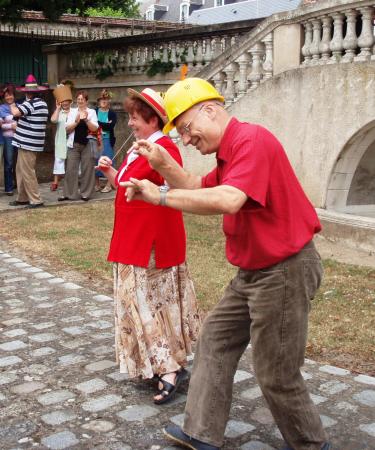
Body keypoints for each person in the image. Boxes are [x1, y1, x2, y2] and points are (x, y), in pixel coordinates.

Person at [122, 78, 331, 450]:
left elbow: (230, 199)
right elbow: (198, 184)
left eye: (186, 128)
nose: (186, 139)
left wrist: (162, 195)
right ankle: (201, 433)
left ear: (210, 110)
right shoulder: (229, 151)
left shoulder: (251, 141)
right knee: (214, 339)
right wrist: (164, 163)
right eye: (181, 133)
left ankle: (311, 444)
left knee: (276, 371)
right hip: (254, 271)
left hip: (284, 270)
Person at [97, 87, 201, 404]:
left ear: (153, 119)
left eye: (135, 117)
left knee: (155, 304)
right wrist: (112, 173)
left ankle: (171, 368)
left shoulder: (164, 148)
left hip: (153, 242)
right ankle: (156, 363)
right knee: (138, 303)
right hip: (132, 238)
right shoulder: (139, 147)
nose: (130, 123)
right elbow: (131, 187)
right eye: (129, 116)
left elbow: (172, 189)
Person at [9, 74, 48, 209]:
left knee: (27, 172)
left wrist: (11, 103)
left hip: (28, 143)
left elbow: (15, 113)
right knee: (20, 171)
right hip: (27, 142)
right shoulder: (42, 103)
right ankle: (22, 198)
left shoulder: (31, 103)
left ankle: (36, 200)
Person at [59, 90, 98, 202]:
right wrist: (76, 122)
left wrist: (86, 120)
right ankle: (69, 194)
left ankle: (86, 193)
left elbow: (95, 129)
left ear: (86, 101)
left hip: (87, 144)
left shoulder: (91, 112)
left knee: (87, 169)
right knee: (70, 169)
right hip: (74, 144)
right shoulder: (72, 112)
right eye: (78, 99)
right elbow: (66, 129)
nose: (80, 101)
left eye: (82, 99)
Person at [50, 83, 73, 191]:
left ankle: (72, 181)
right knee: (59, 160)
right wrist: (58, 108)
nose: (64, 103)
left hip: (72, 139)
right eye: (62, 102)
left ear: (70, 101)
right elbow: (53, 120)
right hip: (60, 140)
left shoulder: (74, 111)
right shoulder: (59, 112)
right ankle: (55, 182)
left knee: (72, 160)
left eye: (66, 101)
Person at [95, 88, 117, 193]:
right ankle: (97, 184)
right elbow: (93, 125)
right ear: (99, 101)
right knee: (96, 159)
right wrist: (104, 124)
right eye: (102, 99)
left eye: (106, 99)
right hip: (96, 139)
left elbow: (110, 127)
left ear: (109, 101)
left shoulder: (112, 113)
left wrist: (99, 123)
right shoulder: (94, 111)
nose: (104, 101)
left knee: (108, 160)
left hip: (107, 139)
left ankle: (109, 184)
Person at [0, 84, 18, 196]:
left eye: (10, 95)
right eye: (6, 95)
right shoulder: (2, 108)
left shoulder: (19, 106)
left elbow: (22, 120)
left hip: (20, 138)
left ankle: (17, 183)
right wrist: (13, 126)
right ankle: (8, 187)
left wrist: (11, 123)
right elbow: (1, 126)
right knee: (9, 163)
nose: (8, 97)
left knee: (19, 163)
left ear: (14, 95)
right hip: (8, 138)